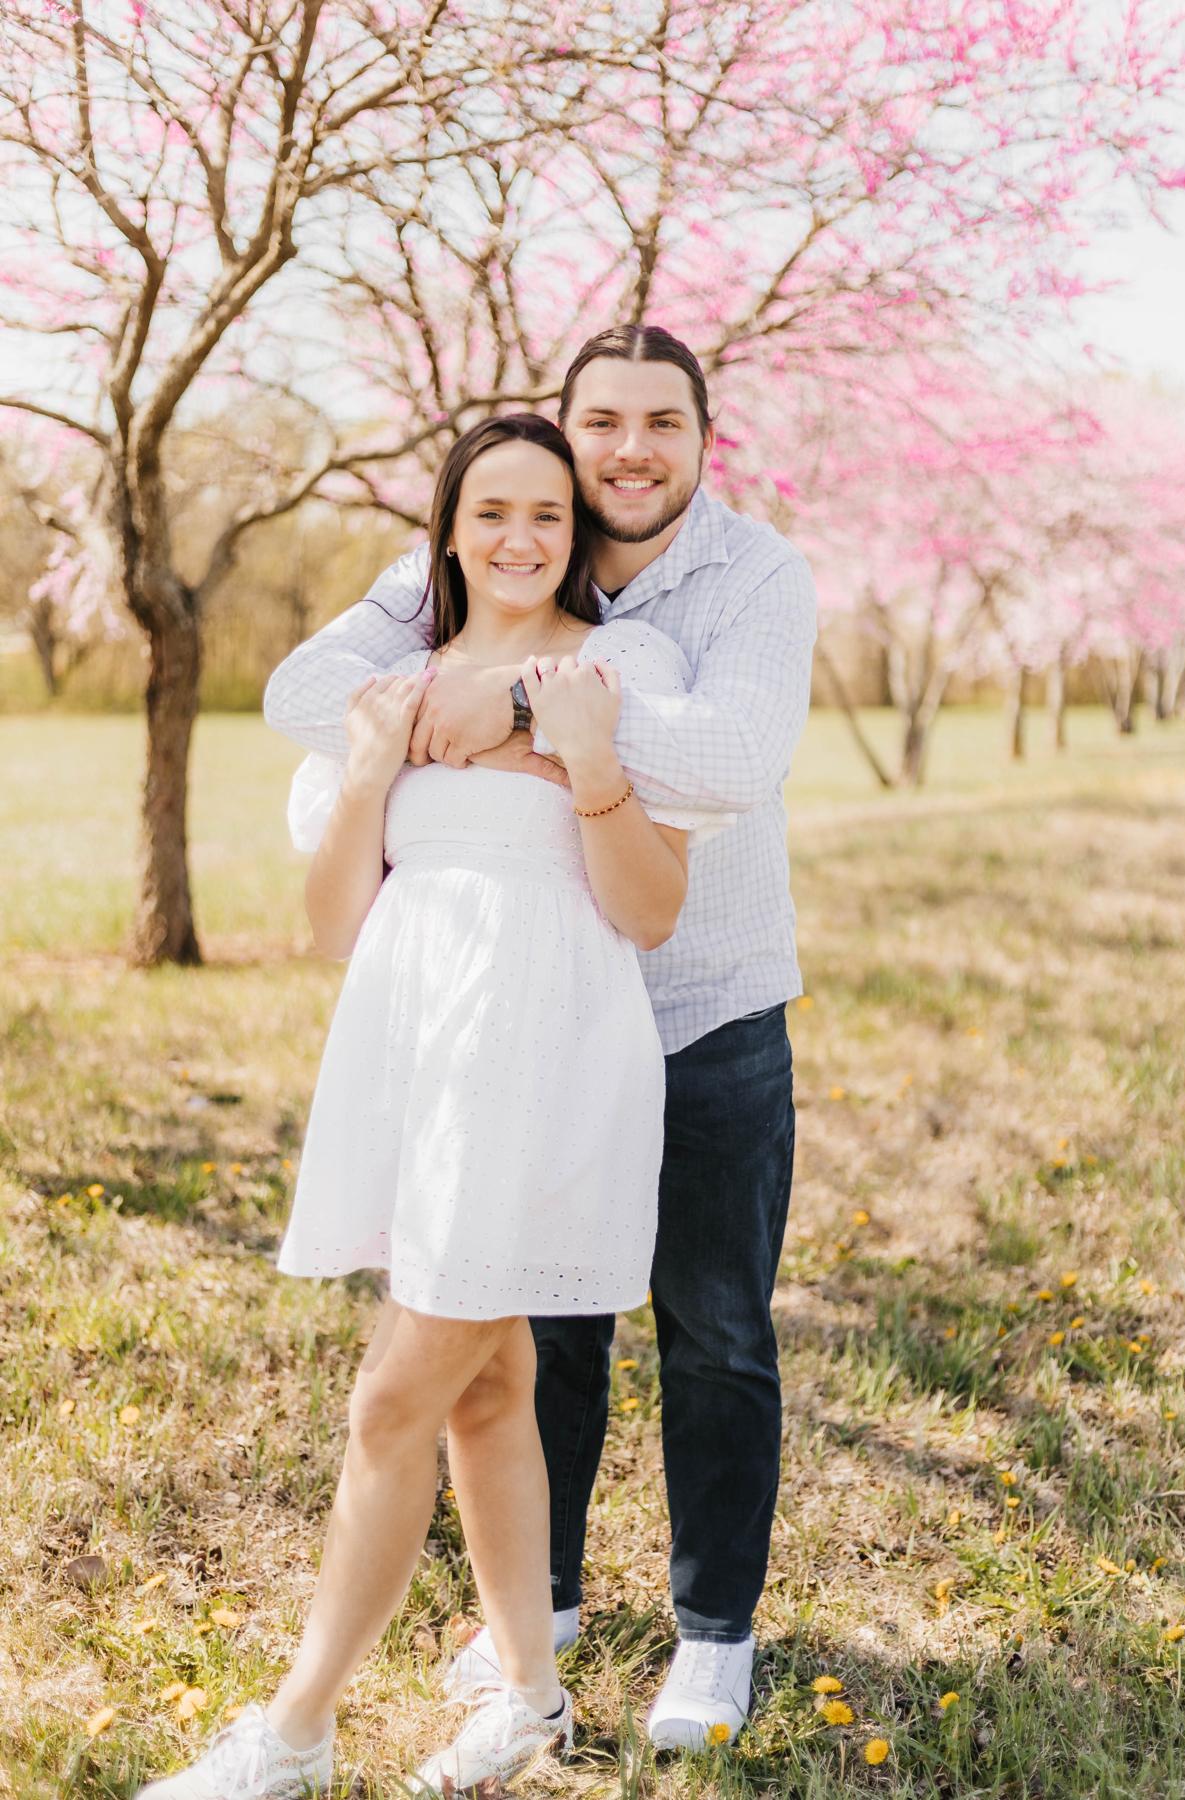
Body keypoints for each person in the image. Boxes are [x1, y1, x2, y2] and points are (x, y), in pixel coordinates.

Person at [137, 413, 711, 1799]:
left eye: (549, 514)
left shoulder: (620, 671)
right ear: (446, 530)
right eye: (492, 510)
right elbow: (338, 923)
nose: (521, 537)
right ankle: (531, 1700)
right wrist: (374, 770)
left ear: (578, 534)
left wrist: (585, 760)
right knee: (489, 1389)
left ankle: (296, 1731)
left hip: (545, 1061)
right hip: (420, 1061)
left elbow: (650, 911)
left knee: (394, 1402)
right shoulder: (390, 688)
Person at [264, 324, 818, 1749]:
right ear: (563, 437)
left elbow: (736, 760)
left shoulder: (745, 580)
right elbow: (301, 700)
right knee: (531, 1344)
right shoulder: (445, 578)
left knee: (713, 1329)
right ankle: (541, 1629)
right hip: (495, 1034)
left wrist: (524, 716)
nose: (631, 449)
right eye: (604, 423)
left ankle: (712, 1634)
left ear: (704, 439)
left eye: (663, 423)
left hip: (701, 1001)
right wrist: (433, 712)